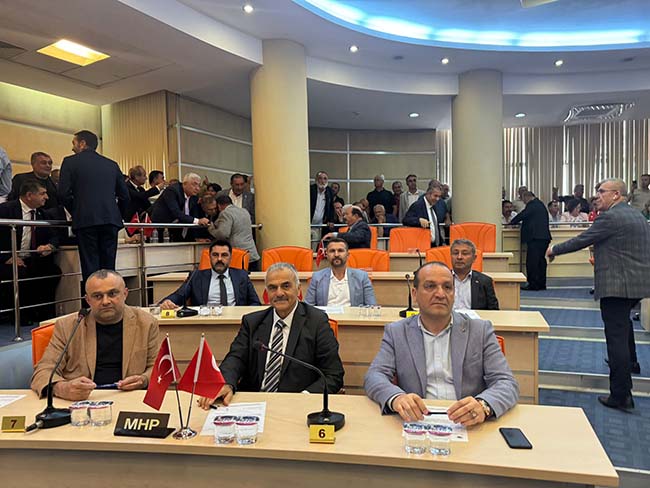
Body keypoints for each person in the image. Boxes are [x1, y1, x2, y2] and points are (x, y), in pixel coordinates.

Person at [364, 262, 518, 423]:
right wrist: (397, 398)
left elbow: (506, 382)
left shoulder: (480, 331)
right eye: (430, 286)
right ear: (414, 294)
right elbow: (375, 376)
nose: (440, 294)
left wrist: (483, 405)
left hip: (467, 422)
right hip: (417, 420)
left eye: (447, 287)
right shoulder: (397, 332)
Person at [547, 178, 650, 412]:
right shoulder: (636, 215)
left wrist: (554, 249)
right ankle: (632, 363)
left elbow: (583, 239)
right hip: (636, 283)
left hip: (617, 285)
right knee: (624, 325)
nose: (597, 196)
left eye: (602, 192)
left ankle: (621, 395)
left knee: (615, 338)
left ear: (616, 195)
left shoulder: (610, 217)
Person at [197, 263, 345, 408]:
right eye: (273, 288)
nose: (279, 293)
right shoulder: (252, 322)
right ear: (266, 293)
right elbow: (235, 359)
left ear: (298, 289)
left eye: (286, 286)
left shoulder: (316, 322)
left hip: (296, 404)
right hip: (253, 403)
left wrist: (304, 397)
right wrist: (226, 383)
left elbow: (333, 374)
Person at [30, 269, 160, 400]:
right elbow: (43, 372)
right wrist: (62, 388)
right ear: (88, 300)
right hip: (82, 401)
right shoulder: (68, 326)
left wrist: (144, 379)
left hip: (130, 398)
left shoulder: (146, 323)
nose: (105, 301)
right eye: (98, 296)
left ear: (125, 294)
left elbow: (158, 369)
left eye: (112, 294)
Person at [58, 130, 130, 282]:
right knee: (109, 268)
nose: (72, 148)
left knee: (90, 268)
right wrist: (118, 215)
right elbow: (125, 196)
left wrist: (77, 210)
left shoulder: (70, 162)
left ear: (82, 143)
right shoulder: (111, 164)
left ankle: (93, 297)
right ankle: (110, 295)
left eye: (74, 143)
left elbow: (63, 194)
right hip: (110, 221)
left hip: (85, 221)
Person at [0, 180, 61, 322]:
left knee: (53, 271)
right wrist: (8, 257)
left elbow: (55, 236)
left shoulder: (43, 214)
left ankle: (44, 314)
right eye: (42, 193)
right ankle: (19, 316)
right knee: (19, 273)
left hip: (31, 259)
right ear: (29, 195)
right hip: (5, 259)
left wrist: (50, 246)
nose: (47, 197)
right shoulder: (5, 210)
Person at [160, 239, 260, 309]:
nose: (219, 259)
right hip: (204, 323)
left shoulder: (241, 275)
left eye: (224, 255)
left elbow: (255, 302)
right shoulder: (196, 276)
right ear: (210, 256)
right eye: (215, 255)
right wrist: (167, 302)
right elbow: (179, 296)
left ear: (230, 257)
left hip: (236, 322)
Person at [305, 238, 376, 307]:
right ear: (326, 255)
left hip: (352, 315)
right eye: (332, 251)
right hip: (325, 315)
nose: (336, 254)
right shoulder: (317, 277)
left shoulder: (362, 277)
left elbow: (371, 306)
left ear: (348, 254)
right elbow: (308, 307)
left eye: (340, 251)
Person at [509, 191, 551, 291]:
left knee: (532, 262)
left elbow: (523, 215)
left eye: (523, 199)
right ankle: (541, 283)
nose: (523, 202)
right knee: (540, 261)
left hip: (535, 238)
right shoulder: (540, 204)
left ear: (527, 197)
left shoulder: (532, 205)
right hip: (543, 237)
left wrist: (512, 222)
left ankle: (533, 284)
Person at [151, 172, 210, 241]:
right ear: (184, 183)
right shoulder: (172, 191)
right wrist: (198, 221)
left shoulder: (193, 196)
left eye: (199, 185)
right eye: (194, 184)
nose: (197, 188)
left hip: (178, 230)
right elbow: (176, 213)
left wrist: (197, 238)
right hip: (160, 229)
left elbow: (193, 215)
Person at [208, 195, 261, 271]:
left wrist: (211, 229)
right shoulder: (244, 211)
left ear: (219, 205)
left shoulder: (225, 213)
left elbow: (223, 234)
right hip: (252, 253)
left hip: (239, 255)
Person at [450, 239, 499, 310]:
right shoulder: (440, 279)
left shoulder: (484, 282)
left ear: (474, 258)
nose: (459, 257)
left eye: (465, 254)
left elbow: (494, 311)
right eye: (455, 253)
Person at [310, 171, 336, 237]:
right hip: (308, 223)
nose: (322, 181)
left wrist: (331, 220)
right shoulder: (310, 189)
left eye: (325, 179)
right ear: (316, 180)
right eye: (320, 178)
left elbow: (331, 207)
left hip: (320, 225)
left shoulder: (329, 191)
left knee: (317, 242)